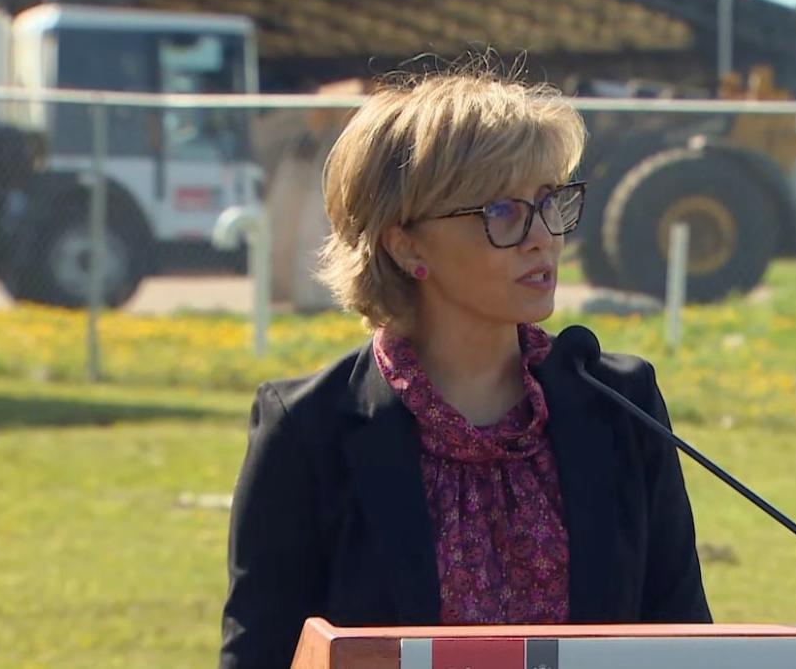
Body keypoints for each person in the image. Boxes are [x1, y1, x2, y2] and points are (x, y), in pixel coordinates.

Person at [219, 69, 711, 669]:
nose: (543, 239)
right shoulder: (306, 430)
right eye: (503, 210)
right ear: (406, 245)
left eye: (550, 202)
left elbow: (685, 642)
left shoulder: (621, 405)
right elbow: (261, 655)